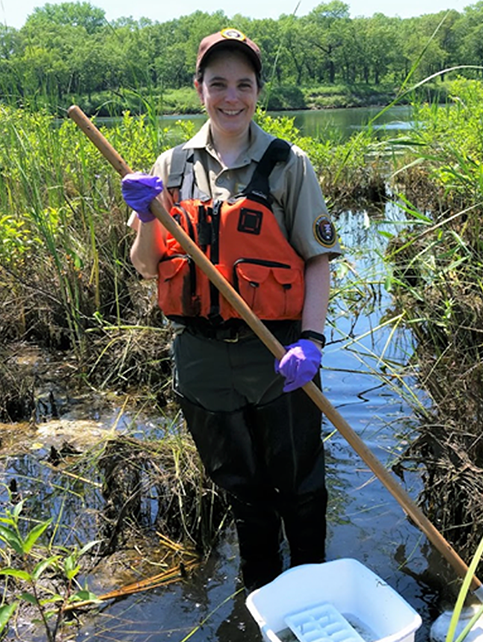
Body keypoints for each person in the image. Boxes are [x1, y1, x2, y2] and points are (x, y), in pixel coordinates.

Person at [121, 28, 343, 591]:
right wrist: (148, 216)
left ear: (257, 91)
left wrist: (311, 341)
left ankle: (313, 582)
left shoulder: (288, 163)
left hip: (277, 353)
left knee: (299, 482)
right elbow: (147, 266)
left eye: (243, 84)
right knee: (240, 485)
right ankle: (262, 590)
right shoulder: (170, 165)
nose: (231, 96)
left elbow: (317, 261)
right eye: (218, 83)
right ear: (199, 89)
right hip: (200, 359)